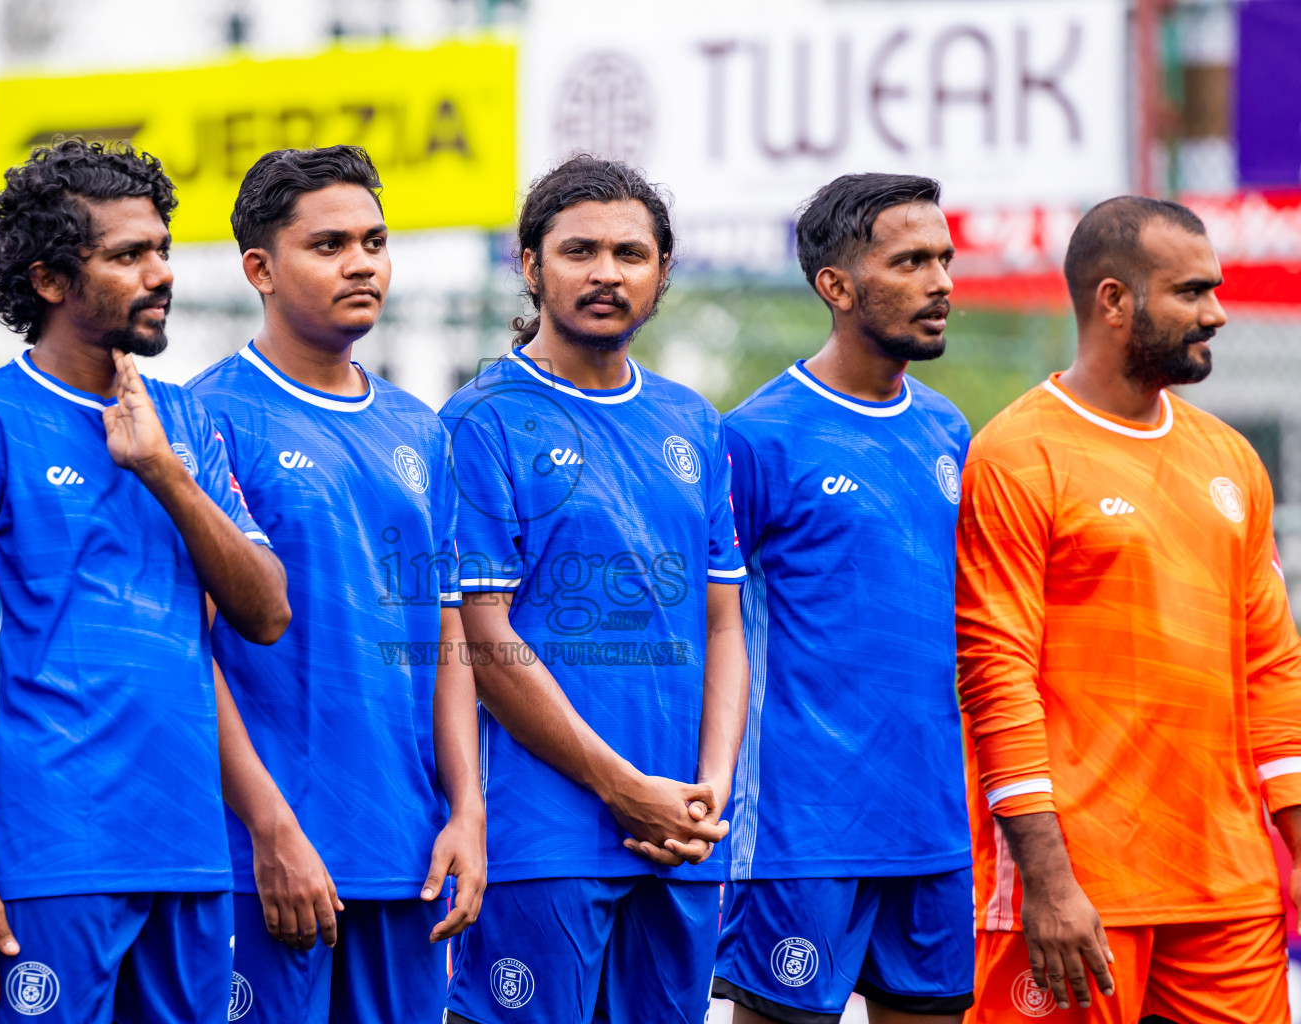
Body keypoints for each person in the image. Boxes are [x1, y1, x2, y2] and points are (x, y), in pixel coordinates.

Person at [0, 140, 291, 1024]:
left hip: (188, 852)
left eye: (162, 250)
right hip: (49, 853)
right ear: (50, 280)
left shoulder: (184, 419)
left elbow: (265, 613)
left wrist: (165, 473)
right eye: (127, 255)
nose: (160, 274)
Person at [957, 195, 1301, 1022]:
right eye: (1190, 292)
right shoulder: (1016, 453)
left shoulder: (1231, 462)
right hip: (1079, 891)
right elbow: (995, 675)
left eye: (1214, 289)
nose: (1216, 313)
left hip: (1230, 895)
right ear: (1113, 301)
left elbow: (1272, 671)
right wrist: (1047, 881)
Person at [438, 155, 749, 1024]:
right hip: (547, 840)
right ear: (531, 265)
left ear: (660, 272)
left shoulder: (691, 421)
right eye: (579, 250)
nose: (606, 273)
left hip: (684, 838)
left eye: (630, 253)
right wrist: (620, 786)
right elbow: (483, 640)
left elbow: (724, 623)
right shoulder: (480, 420)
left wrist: (709, 791)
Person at [186, 145, 484, 1024]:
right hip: (269, 859)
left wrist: (466, 810)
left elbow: (449, 635)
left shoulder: (419, 428)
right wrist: (271, 831)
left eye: (375, 240)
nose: (361, 262)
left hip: (409, 854)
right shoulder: (208, 416)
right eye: (329, 245)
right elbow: (188, 648)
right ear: (261, 269)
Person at [712, 173, 974, 1024]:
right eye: (910, 261)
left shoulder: (948, 430)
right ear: (836, 285)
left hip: (936, 824)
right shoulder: (755, 436)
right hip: (803, 829)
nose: (940, 282)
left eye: (944, 258)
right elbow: (707, 628)